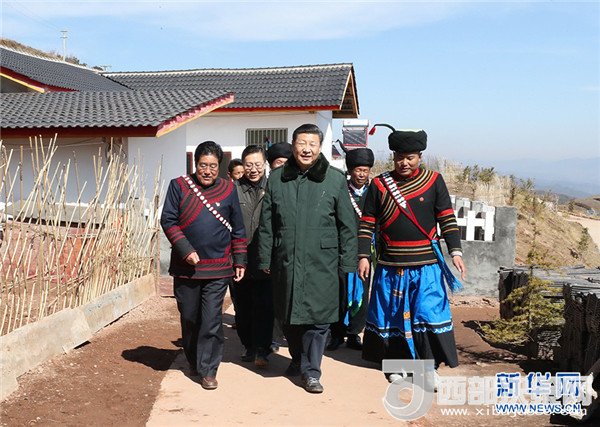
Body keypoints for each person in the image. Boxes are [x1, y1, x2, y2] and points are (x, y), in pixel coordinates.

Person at [357, 125, 466, 386]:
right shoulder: (379, 185)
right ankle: (396, 366)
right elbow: (367, 222)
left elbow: (446, 218)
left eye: (410, 158)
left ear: (420, 157)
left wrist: (455, 251)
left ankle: (428, 368)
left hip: (426, 265)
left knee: (426, 314)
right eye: (399, 157)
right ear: (393, 157)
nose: (404, 163)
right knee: (392, 315)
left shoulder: (434, 181)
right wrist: (363, 256)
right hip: (390, 265)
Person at [258, 124, 357, 394]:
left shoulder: (334, 179)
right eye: (302, 143)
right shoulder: (277, 179)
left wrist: (348, 262)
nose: (306, 149)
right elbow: (267, 224)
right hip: (286, 260)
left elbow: (348, 225)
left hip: (322, 262)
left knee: (319, 319)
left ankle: (312, 372)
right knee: (289, 317)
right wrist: (265, 258)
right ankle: (298, 359)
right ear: (293, 145)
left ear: (320, 147)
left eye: (312, 144)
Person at [161, 141, 247, 390]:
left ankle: (208, 370)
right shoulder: (179, 186)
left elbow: (238, 227)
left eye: (212, 166)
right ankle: (194, 361)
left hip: (218, 268)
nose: (207, 171)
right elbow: (168, 220)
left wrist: (240, 259)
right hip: (186, 268)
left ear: (219, 166)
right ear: (195, 164)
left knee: (211, 320)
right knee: (190, 318)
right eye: (202, 165)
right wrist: (186, 250)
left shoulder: (228, 189)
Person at [328, 147, 374, 352]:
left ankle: (355, 333)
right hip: (342, 249)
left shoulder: (374, 192)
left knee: (362, 292)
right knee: (338, 292)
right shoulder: (341, 190)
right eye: (358, 170)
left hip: (365, 251)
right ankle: (336, 333)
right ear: (351, 170)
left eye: (365, 170)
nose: (361, 174)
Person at [233, 145, 274, 367]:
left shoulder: (274, 186)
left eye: (258, 164)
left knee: (265, 306)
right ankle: (248, 345)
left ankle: (262, 350)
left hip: (265, 257)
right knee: (243, 307)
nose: (253, 169)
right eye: (249, 165)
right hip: (240, 258)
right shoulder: (233, 189)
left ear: (265, 164)